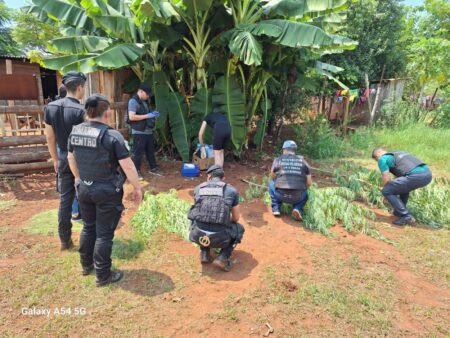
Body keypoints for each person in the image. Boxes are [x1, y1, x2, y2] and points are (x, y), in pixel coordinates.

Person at [67, 94, 143, 287]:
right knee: (103, 234)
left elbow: (70, 158)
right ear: (107, 113)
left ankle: (86, 266)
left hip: (84, 188)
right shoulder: (112, 136)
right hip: (105, 191)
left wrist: (78, 178)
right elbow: (128, 166)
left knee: (88, 227)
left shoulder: (75, 132)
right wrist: (137, 188)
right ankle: (103, 275)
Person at [44, 71, 86, 250]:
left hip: (61, 156)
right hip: (80, 159)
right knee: (86, 195)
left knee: (65, 199)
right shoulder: (81, 110)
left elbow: (49, 138)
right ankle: (90, 237)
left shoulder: (50, 108)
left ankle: (64, 240)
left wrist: (55, 159)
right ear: (79, 88)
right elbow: (86, 139)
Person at [188, 165, 245, 272]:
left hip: (198, 235)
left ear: (209, 177)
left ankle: (204, 253)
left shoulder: (198, 188)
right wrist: (223, 219)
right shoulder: (232, 191)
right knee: (239, 228)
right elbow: (236, 218)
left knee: (196, 219)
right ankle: (222, 258)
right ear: (223, 178)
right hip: (221, 237)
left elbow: (198, 212)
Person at [372, 148, 432, 225]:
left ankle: (406, 216)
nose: (377, 161)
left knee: (387, 190)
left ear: (378, 154)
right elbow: (400, 176)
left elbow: (385, 176)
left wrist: (386, 194)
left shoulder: (382, 159)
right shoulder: (399, 153)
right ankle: (398, 212)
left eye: (376, 159)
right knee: (402, 188)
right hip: (427, 174)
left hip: (416, 176)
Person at [268, 140, 312, 221]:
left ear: (284, 149)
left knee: (271, 183)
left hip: (280, 195)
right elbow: (309, 183)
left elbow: (273, 176)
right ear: (294, 150)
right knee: (305, 192)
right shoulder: (304, 162)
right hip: (297, 197)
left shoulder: (278, 160)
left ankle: (276, 208)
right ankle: (297, 208)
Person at [127, 83, 161, 178]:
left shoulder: (144, 101)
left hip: (148, 131)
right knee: (138, 153)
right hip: (139, 132)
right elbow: (132, 117)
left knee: (150, 150)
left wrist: (152, 114)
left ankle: (153, 168)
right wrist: (148, 116)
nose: (148, 96)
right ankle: (136, 171)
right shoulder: (133, 102)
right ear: (141, 91)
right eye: (147, 94)